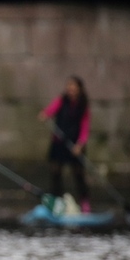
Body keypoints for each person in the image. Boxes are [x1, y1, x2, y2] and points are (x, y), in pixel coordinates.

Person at [37, 75, 91, 213]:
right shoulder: (62, 100)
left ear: (79, 89)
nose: (70, 90)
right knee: (55, 172)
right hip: (59, 143)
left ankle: (84, 204)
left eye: (74, 87)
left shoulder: (83, 105)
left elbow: (85, 126)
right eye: (69, 87)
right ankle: (57, 202)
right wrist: (44, 115)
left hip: (74, 145)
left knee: (78, 174)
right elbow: (50, 110)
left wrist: (80, 144)